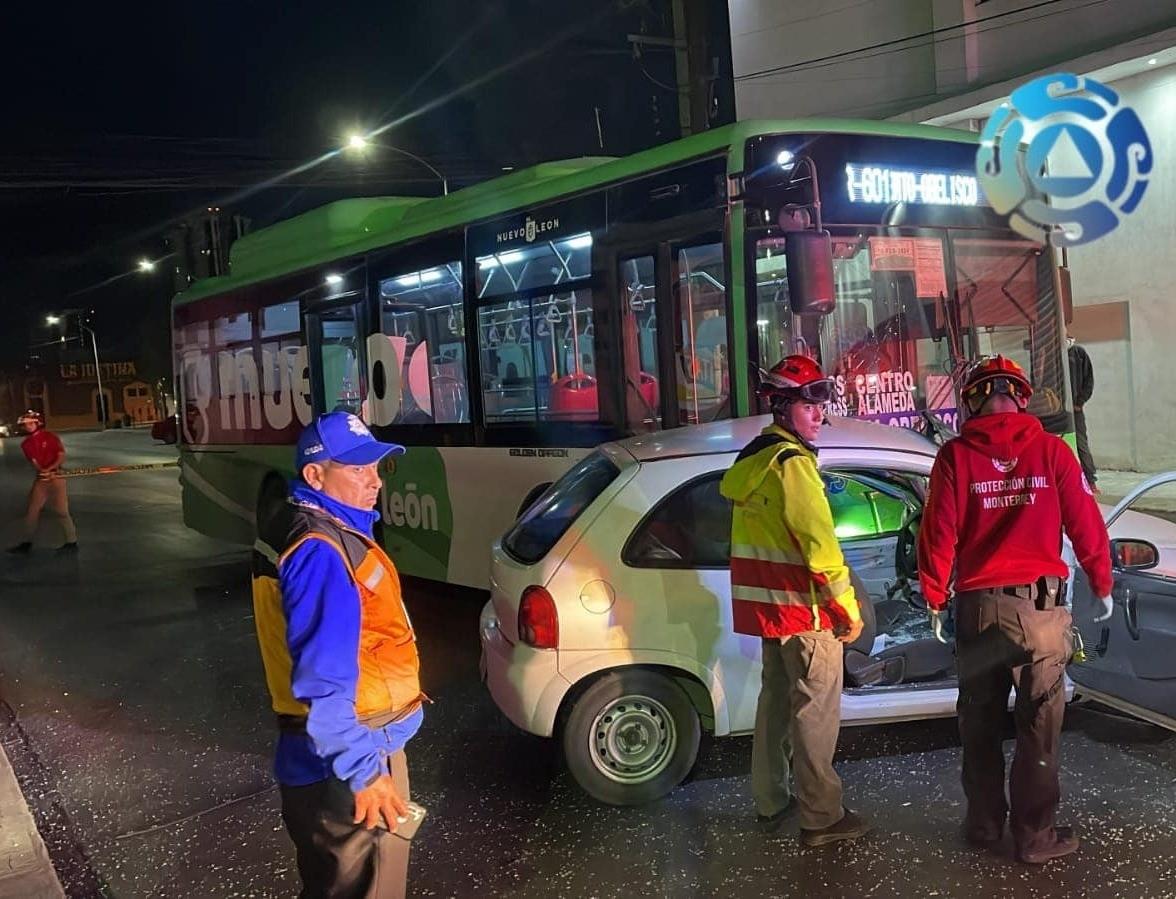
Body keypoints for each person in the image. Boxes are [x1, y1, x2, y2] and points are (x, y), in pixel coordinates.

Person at [918, 355, 1112, 865]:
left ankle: (983, 824)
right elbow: (1087, 525)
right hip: (1040, 613)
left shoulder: (954, 457)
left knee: (978, 723)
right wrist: (1103, 582)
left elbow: (937, 535)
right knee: (1037, 727)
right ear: (1022, 399)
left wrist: (936, 596)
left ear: (973, 401)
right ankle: (1034, 837)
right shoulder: (1052, 452)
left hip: (977, 611)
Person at [251, 412, 425, 898]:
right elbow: (323, 680)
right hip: (347, 761)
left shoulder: (304, 527)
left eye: (375, 467)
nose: (373, 481)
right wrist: (365, 772)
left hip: (337, 753)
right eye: (355, 469)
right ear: (315, 475)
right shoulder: (322, 551)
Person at [720, 355, 872, 846]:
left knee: (776, 706)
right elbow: (821, 547)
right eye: (810, 404)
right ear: (784, 406)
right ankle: (822, 816)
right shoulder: (794, 467)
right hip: (806, 614)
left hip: (770, 613)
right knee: (815, 714)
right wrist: (846, 607)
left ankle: (771, 799)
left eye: (821, 404)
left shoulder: (754, 460)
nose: (819, 415)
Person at [7, 410, 78, 554]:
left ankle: (72, 542)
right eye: (25, 424)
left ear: (37, 423)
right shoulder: (26, 444)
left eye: (30, 423)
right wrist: (42, 471)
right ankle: (26, 543)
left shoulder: (50, 437)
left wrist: (52, 469)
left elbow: (61, 455)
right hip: (42, 479)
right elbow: (34, 461)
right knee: (32, 510)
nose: (28, 426)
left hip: (57, 477)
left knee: (62, 511)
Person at [1067, 333, 1098, 492]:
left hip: (1074, 409)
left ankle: (1090, 480)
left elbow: (1088, 380)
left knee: (1081, 444)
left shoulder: (1078, 353)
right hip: (1056, 409)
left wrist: (1079, 402)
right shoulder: (1047, 353)